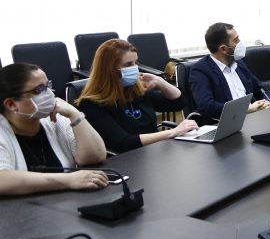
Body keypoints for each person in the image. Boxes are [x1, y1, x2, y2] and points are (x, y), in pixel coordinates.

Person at [0, 63, 108, 195]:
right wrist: (69, 180)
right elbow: (2, 179)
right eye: (38, 90)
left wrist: (75, 115)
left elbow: (94, 156)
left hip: (66, 203)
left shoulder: (54, 119)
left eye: (47, 86)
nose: (49, 94)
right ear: (11, 104)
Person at [77, 39, 197, 153]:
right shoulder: (90, 104)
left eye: (135, 62)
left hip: (153, 153)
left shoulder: (134, 90)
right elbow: (123, 143)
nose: (135, 68)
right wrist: (172, 133)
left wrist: (159, 81)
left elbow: (179, 102)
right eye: (129, 64)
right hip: (127, 160)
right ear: (110, 69)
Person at [189, 23, 270, 122]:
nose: (240, 43)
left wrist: (268, 103)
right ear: (223, 49)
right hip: (227, 125)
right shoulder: (200, 70)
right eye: (236, 40)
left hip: (255, 119)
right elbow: (207, 107)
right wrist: (245, 110)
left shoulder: (239, 63)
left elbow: (262, 89)